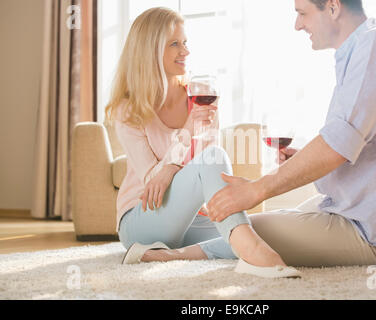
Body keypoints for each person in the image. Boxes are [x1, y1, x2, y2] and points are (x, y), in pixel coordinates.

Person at [144, 0, 376, 267]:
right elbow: (364, 148)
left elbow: (338, 144)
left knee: (248, 231)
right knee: (266, 221)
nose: (298, 24)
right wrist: (301, 160)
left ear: (333, 6)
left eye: (302, 13)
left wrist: (257, 189)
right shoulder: (373, 48)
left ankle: (176, 256)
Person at [104, 7, 301, 278]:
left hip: (192, 218)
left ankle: (169, 256)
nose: (185, 51)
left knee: (260, 232)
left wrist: (208, 202)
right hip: (142, 218)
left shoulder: (201, 96)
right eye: (174, 44)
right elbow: (153, 182)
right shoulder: (128, 110)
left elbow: (208, 167)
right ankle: (255, 256)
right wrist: (186, 133)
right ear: (149, 50)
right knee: (216, 160)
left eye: (185, 42)